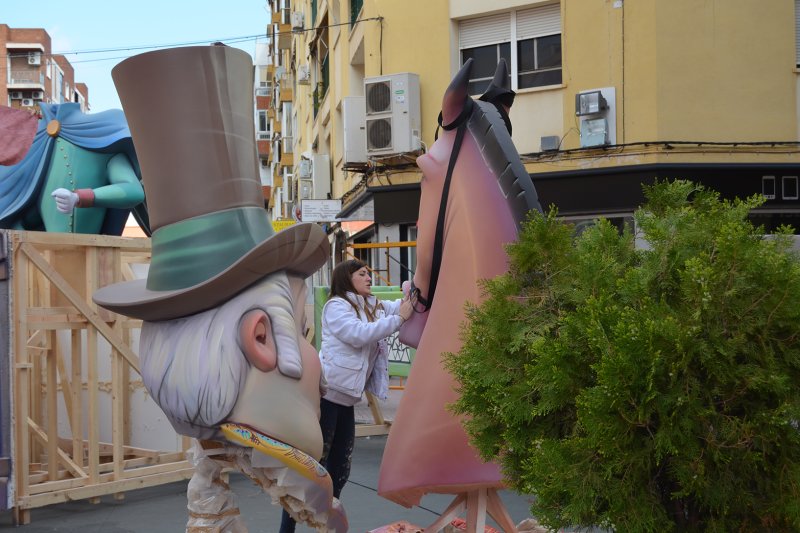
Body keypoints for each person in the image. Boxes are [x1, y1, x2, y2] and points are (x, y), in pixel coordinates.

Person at [279, 259, 414, 533]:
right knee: (312, 468)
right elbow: (359, 334)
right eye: (362, 274)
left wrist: (412, 291)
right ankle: (287, 529)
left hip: (347, 402)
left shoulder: (370, 305)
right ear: (346, 278)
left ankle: (327, 525)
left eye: (368, 273)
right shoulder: (336, 307)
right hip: (327, 400)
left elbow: (398, 307)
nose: (368, 278)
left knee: (340, 469)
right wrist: (400, 318)